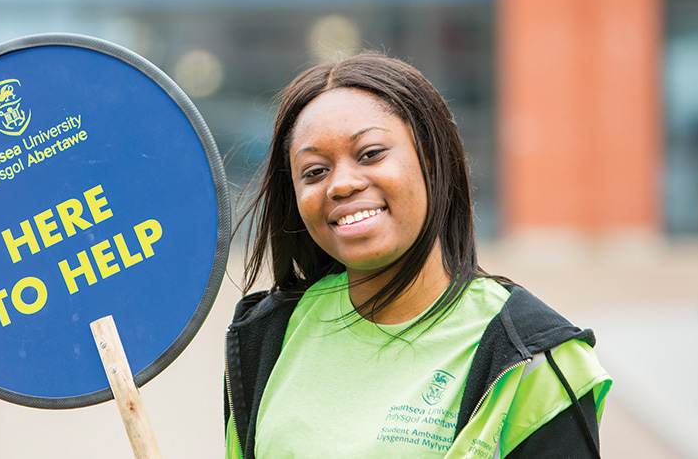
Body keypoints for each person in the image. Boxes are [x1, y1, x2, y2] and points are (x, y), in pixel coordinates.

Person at [224, 53, 612, 459]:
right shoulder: (265, 334)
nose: (341, 185)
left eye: (370, 153)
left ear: (431, 158)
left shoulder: (532, 357)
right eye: (315, 171)